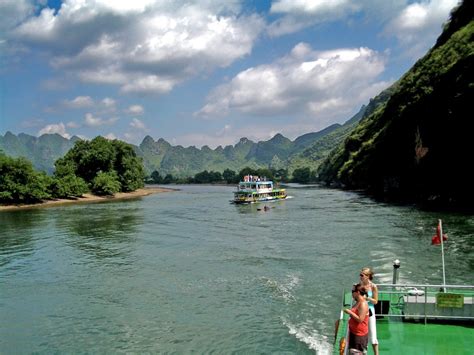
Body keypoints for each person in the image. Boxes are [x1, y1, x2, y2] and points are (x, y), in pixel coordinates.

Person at [344, 283, 369, 354]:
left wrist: (349, 312)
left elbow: (360, 319)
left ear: (357, 292)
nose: (352, 294)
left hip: (359, 336)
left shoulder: (363, 304)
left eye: (352, 292)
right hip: (354, 332)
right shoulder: (358, 301)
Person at [360, 267, 379, 355]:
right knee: (363, 334)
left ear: (368, 276)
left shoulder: (373, 286)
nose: (360, 276)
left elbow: (375, 301)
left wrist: (367, 298)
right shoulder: (359, 285)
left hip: (370, 311)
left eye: (362, 275)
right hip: (361, 311)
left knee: (373, 334)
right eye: (360, 275)